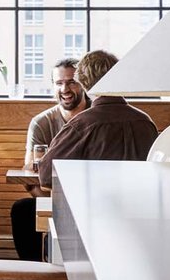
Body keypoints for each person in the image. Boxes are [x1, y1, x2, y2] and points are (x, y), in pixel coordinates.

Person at [37, 49, 159, 189]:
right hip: (143, 207)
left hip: (95, 208)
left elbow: (46, 175)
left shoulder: (81, 125)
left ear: (82, 82)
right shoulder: (145, 122)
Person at [10, 58, 89, 260]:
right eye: (59, 83)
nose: (65, 89)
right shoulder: (41, 123)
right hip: (52, 198)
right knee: (22, 210)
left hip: (91, 200)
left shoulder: (96, 118)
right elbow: (30, 175)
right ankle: (34, 276)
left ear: (84, 84)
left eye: (71, 82)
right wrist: (53, 206)